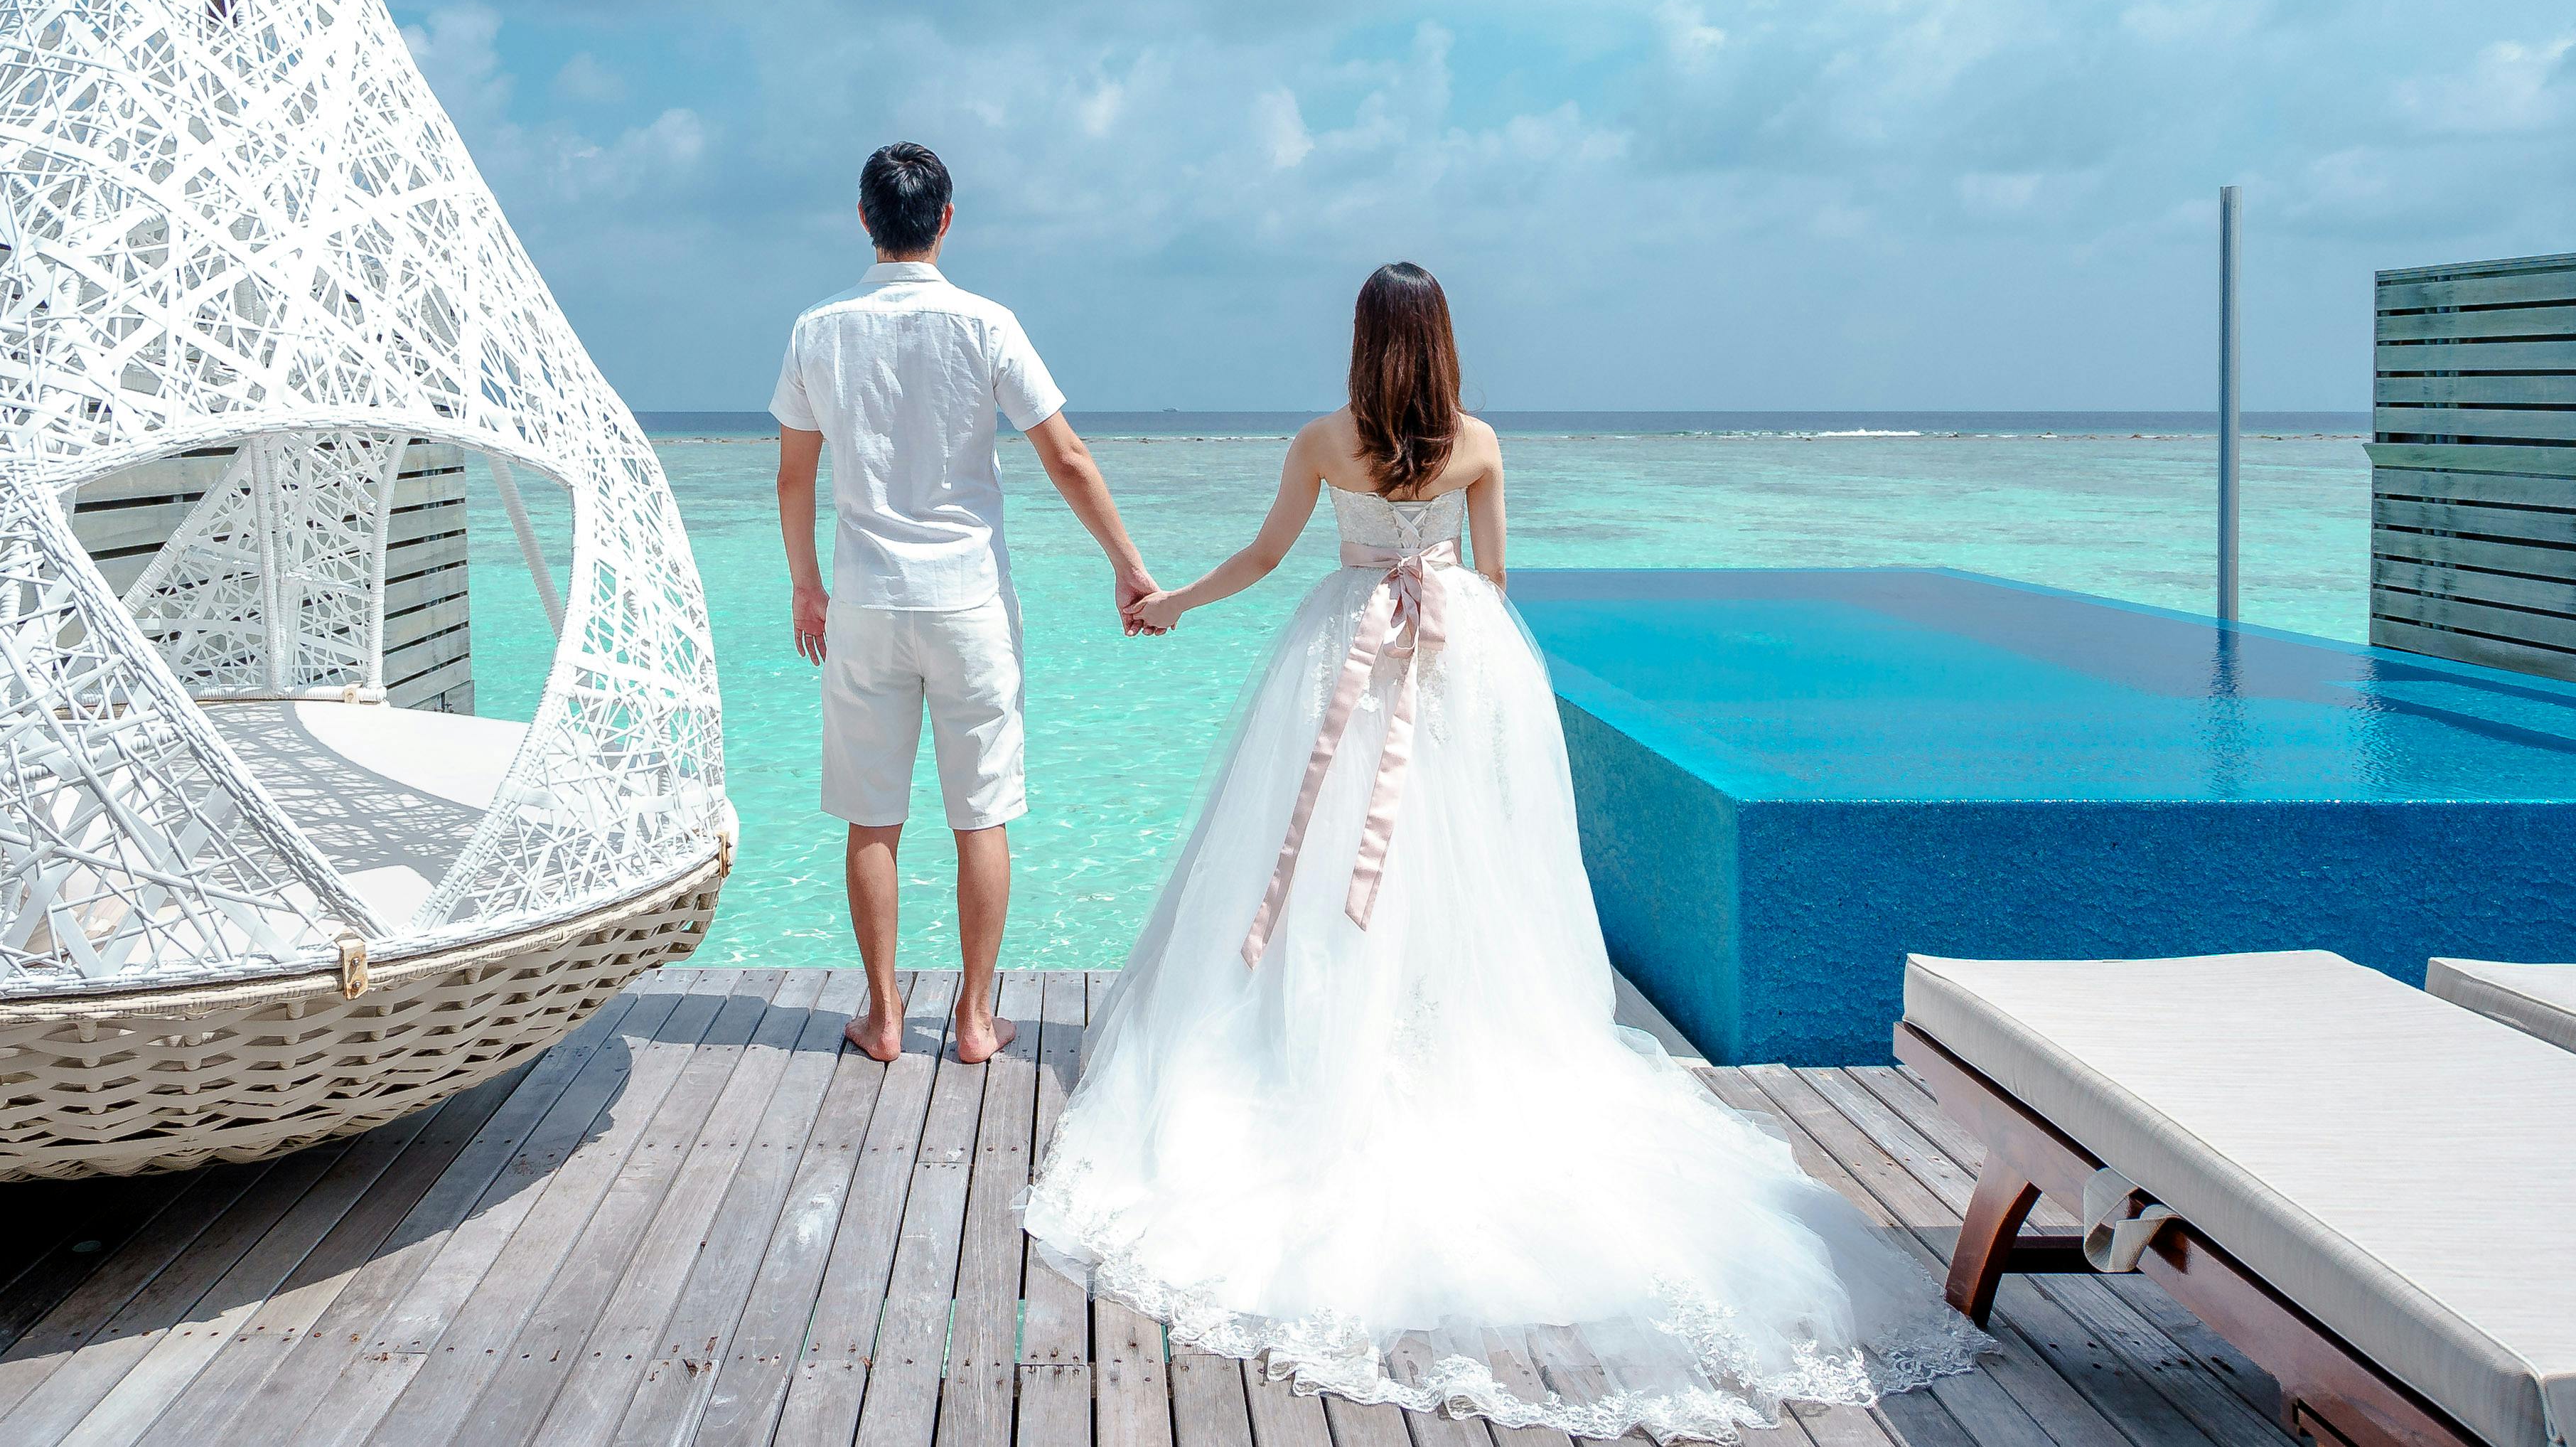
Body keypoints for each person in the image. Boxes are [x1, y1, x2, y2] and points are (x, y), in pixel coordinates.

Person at [1021, 263, 1980, 1439]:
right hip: (1452, 658)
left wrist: (1171, 602)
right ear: (1441, 342)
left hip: (1346, 656)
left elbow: (1268, 561)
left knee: (1324, 867)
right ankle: (1435, 1028)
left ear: (1367, 341)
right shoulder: (1476, 440)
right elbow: (1496, 579)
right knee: (1457, 871)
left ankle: (1332, 1038)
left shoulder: (1325, 440)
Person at [776, 143, 1159, 1068]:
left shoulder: (816, 330)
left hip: (867, 600)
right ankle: (978, 1021)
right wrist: (1127, 565)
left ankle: (882, 1017)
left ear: (864, 219)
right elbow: (1066, 456)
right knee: (978, 815)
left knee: (874, 818)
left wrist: (805, 585)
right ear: (946, 219)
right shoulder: (987, 325)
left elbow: (794, 476)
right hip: (970, 606)